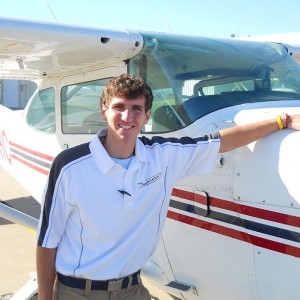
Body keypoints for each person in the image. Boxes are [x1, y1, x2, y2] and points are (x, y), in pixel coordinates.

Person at [36, 74, 300, 300]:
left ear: (147, 115)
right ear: (103, 110)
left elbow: (221, 142)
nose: (127, 116)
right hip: (79, 292)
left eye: (137, 109)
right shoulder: (69, 166)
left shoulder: (162, 156)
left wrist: (282, 121)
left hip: (133, 289)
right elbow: (47, 242)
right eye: (119, 107)